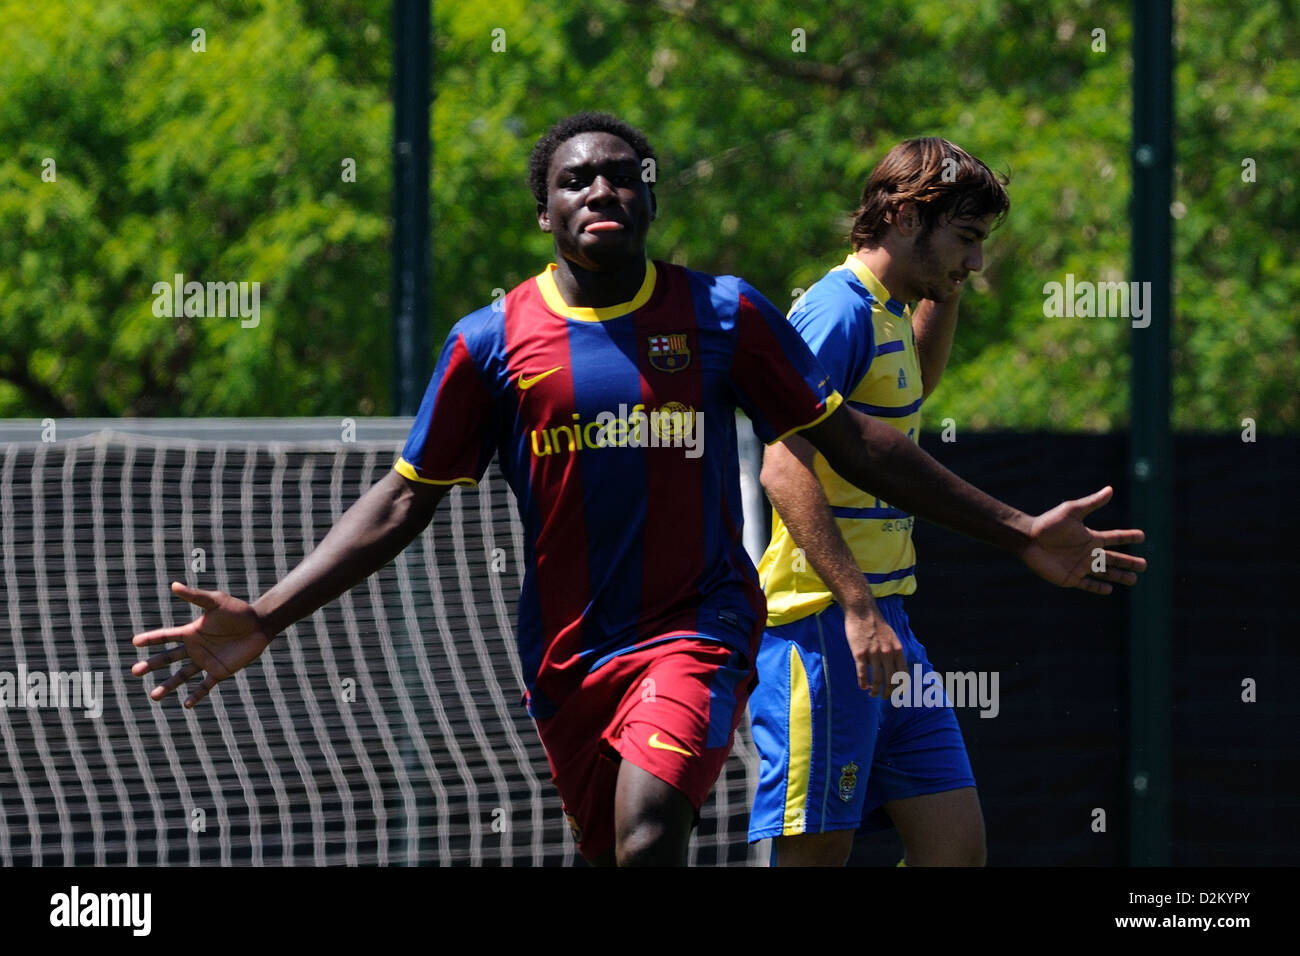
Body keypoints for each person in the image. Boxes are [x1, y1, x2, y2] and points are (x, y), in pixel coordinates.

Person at [130, 114, 1145, 867]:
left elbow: (849, 440)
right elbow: (402, 501)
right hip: (569, 654)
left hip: (701, 629)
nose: (602, 191)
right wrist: (264, 612)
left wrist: (1016, 531)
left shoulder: (723, 314)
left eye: (623, 177)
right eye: (577, 181)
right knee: (616, 848)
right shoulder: (490, 343)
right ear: (545, 211)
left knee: (656, 826)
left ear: (651, 200)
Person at [748, 137, 1100, 866]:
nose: (977, 263)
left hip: (890, 628)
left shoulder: (887, 312)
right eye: (967, 241)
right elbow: (782, 468)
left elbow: (913, 388)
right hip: (822, 629)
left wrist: (947, 285)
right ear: (906, 219)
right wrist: (855, 606)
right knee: (817, 857)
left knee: (955, 850)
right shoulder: (835, 310)